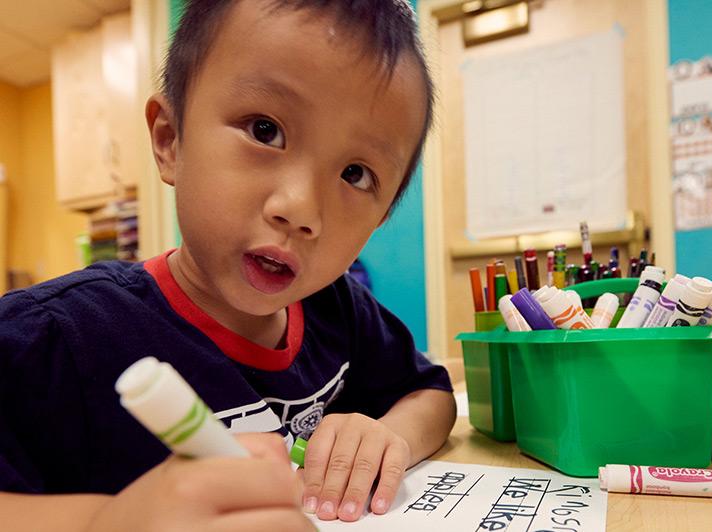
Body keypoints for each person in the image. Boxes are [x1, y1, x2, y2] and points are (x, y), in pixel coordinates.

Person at [0, 0, 456, 529]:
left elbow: (431, 393)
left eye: (355, 174)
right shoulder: (50, 336)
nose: (300, 208)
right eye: (265, 130)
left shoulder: (339, 309)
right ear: (171, 141)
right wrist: (107, 522)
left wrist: (389, 435)